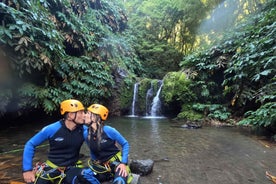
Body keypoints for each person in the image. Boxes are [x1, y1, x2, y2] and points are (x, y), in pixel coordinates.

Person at [22, 99, 99, 184]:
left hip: (71, 169)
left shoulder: (84, 130)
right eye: (80, 112)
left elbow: (100, 145)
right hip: (52, 168)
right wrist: (27, 170)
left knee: (89, 177)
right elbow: (30, 144)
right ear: (70, 116)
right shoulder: (52, 129)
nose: (84, 115)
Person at [83, 104, 133, 184]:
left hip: (117, 163)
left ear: (96, 117)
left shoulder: (109, 130)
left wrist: (123, 163)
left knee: (119, 182)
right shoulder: (86, 134)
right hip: (102, 166)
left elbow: (125, 144)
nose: (85, 115)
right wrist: (94, 163)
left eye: (88, 113)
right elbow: (92, 150)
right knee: (84, 175)